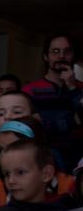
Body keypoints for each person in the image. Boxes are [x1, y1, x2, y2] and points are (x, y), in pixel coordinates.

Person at [22, 33, 83, 171]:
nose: (61, 56)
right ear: (45, 56)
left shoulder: (80, 88)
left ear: (73, 55)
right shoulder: (30, 90)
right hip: (44, 161)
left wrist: (73, 88)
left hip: (79, 161)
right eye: (55, 51)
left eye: (67, 51)